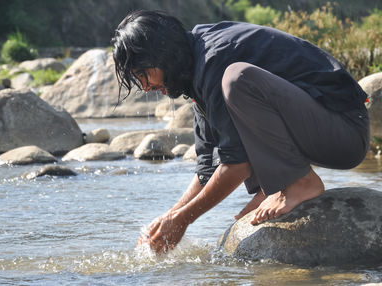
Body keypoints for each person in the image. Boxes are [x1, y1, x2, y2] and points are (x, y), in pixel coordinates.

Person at [111, 10, 370, 253]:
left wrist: (183, 219)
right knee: (235, 85)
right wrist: (169, 218)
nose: (145, 87)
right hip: (322, 130)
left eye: (143, 74)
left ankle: (299, 182)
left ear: (162, 54)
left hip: (345, 132)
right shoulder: (193, 68)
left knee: (238, 78)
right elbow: (207, 169)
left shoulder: (215, 59)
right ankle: (275, 185)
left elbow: (237, 165)